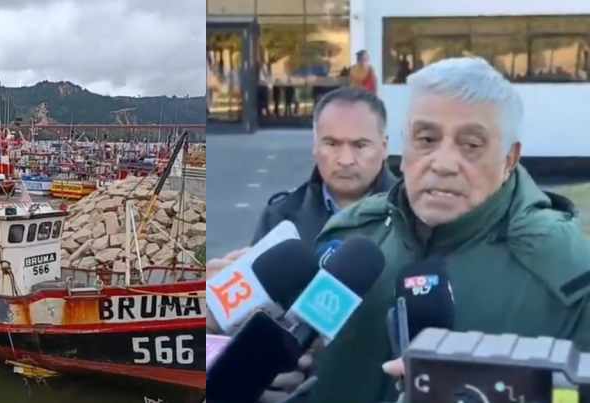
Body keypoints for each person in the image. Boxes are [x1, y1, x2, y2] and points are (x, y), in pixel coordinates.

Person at [299, 57, 590, 403]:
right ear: (403, 149)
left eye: (471, 145)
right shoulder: (351, 237)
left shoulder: (567, 278)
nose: (444, 163)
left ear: (509, 159)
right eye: (426, 139)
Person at [252, 87, 397, 245]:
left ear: (384, 147)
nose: (346, 160)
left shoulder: (417, 217)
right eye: (332, 144)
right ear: (315, 146)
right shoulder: (279, 218)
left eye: (360, 145)